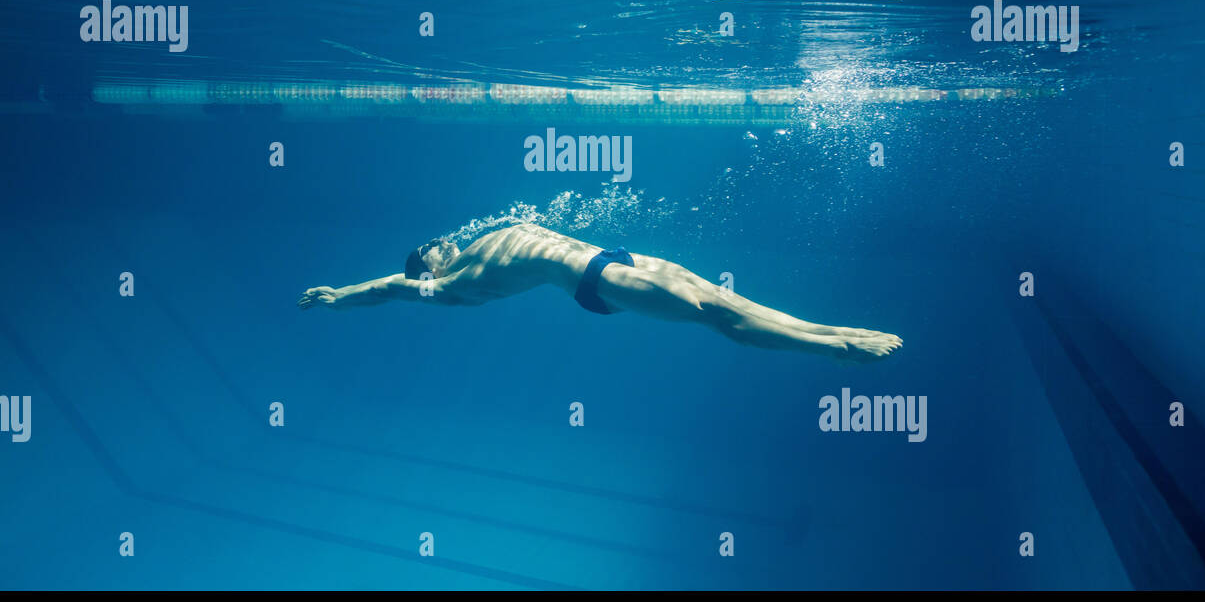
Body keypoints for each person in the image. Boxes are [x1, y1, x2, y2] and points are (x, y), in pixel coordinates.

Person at [299, 223, 901, 360]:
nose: (438, 241)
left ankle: (839, 330)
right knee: (716, 317)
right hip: (596, 281)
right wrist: (339, 295)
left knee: (730, 300)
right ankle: (839, 352)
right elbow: (385, 287)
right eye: (429, 248)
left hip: (620, 256)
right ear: (425, 268)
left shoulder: (477, 239)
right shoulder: (449, 287)